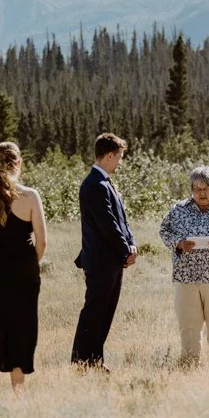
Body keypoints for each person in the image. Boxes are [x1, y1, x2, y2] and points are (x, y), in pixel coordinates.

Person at [0, 141, 47, 390]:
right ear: (19, 163)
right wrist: (28, 262)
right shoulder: (30, 196)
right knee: (21, 328)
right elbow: (42, 241)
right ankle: (18, 392)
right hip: (23, 271)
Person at [158, 165, 209, 362]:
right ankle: (188, 366)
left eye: (206, 188)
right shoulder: (179, 209)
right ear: (191, 189)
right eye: (197, 189)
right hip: (187, 278)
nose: (202, 193)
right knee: (188, 328)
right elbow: (164, 230)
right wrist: (178, 243)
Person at [71, 133, 136, 371]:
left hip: (112, 260)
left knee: (105, 312)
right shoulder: (95, 185)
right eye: (119, 157)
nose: (120, 162)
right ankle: (81, 361)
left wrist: (132, 243)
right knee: (94, 311)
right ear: (109, 156)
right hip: (101, 261)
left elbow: (121, 220)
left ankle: (95, 360)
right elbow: (107, 224)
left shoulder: (105, 183)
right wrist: (125, 251)